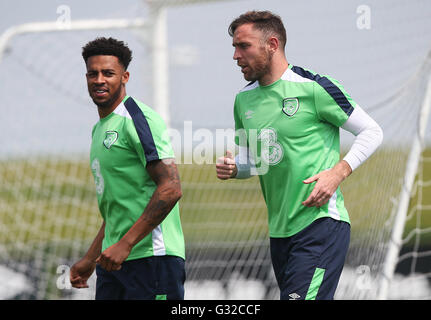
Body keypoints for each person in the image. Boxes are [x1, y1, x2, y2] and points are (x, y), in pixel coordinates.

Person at [216, 11, 383, 300]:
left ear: (272, 44)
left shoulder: (314, 88)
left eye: (243, 46)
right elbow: (256, 161)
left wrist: (336, 173)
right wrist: (235, 167)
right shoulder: (243, 100)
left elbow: (372, 131)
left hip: (320, 225)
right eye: (234, 47)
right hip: (280, 234)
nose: (235, 55)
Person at [69, 37, 185, 300]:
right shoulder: (99, 129)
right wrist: (90, 259)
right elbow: (117, 209)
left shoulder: (136, 119)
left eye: (108, 73)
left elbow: (171, 188)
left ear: (125, 76)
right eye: (92, 73)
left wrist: (126, 244)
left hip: (152, 258)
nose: (99, 80)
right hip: (113, 261)